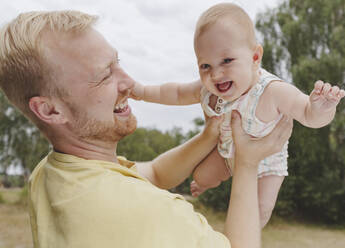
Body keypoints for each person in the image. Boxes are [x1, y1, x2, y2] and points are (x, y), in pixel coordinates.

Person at [0, 10, 293, 248]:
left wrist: (210, 134)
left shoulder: (54, 173)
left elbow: (153, 173)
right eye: (105, 75)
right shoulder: (140, 211)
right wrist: (247, 164)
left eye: (118, 63)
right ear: (50, 109)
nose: (128, 82)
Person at [131, 3, 345, 228]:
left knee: (259, 211)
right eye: (205, 65)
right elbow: (175, 93)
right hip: (227, 154)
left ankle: (243, 237)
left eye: (226, 61)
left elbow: (308, 115)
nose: (216, 73)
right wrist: (142, 92)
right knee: (201, 177)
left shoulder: (271, 91)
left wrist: (322, 109)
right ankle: (207, 185)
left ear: (255, 57)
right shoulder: (207, 90)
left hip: (266, 163)